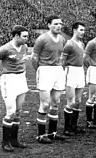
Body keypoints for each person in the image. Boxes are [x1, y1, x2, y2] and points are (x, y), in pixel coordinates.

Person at [0, 25, 30, 152]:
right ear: (16, 36)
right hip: (9, 80)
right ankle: (5, 142)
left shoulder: (25, 47)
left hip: (21, 79)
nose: (27, 39)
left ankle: (14, 140)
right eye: (24, 36)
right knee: (11, 112)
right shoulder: (5, 49)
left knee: (18, 111)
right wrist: (1, 73)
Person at [32, 15, 68, 144]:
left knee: (56, 102)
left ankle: (52, 133)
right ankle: (41, 135)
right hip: (45, 70)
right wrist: (40, 71)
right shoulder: (42, 39)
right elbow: (34, 58)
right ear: (49, 25)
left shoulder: (63, 39)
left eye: (60, 23)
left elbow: (62, 56)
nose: (59, 25)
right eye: (56, 23)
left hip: (58, 70)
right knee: (45, 104)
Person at [62, 21, 86, 135]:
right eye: (81, 30)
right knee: (70, 102)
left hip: (80, 71)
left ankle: (74, 126)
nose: (83, 32)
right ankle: (67, 128)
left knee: (78, 101)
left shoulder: (82, 44)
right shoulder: (69, 44)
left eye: (83, 30)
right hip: (71, 71)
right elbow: (63, 62)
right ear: (74, 30)